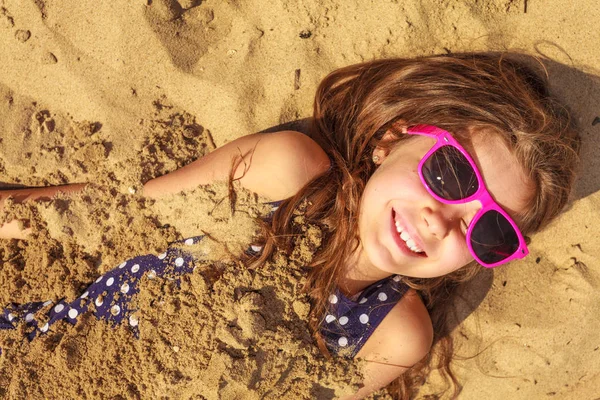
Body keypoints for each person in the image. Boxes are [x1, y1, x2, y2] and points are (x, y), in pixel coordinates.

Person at [0, 52, 581, 399]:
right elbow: (114, 212)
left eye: (490, 232)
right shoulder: (288, 177)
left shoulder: (394, 336)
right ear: (392, 138)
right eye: (451, 174)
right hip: (40, 348)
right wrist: (16, 216)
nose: (442, 221)